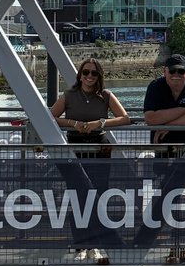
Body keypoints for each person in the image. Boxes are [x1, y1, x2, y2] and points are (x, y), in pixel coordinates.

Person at [49, 58, 130, 250]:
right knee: (77, 197)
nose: (89, 77)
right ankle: (80, 244)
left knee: (98, 197)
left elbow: (125, 118)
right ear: (80, 75)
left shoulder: (106, 95)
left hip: (98, 148)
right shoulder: (69, 95)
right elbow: (50, 117)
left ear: (99, 76)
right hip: (76, 148)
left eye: (94, 73)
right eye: (86, 72)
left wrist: (100, 123)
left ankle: (95, 244)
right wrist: (73, 123)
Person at [133, 54, 185, 257]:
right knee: (170, 196)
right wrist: (184, 110)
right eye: (172, 71)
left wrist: (167, 122)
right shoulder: (155, 87)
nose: (176, 75)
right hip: (163, 152)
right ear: (164, 72)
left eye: (181, 71)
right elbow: (150, 118)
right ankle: (178, 243)